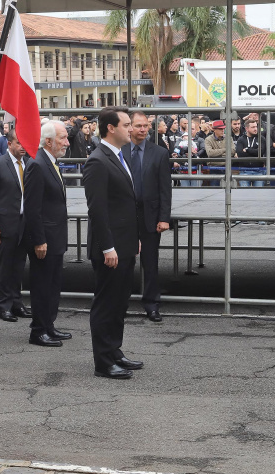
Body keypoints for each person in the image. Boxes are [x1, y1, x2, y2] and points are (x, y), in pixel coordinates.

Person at [83, 107, 142, 379]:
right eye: (127, 124)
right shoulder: (98, 161)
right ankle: (103, 362)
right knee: (106, 304)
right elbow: (98, 209)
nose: (131, 129)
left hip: (124, 244)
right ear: (110, 128)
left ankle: (114, 351)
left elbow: (124, 204)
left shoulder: (119, 155)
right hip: (110, 248)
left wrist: (134, 238)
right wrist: (108, 247)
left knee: (120, 303)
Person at [23, 121, 70, 347]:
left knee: (53, 285)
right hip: (45, 240)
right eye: (63, 138)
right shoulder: (37, 164)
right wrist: (39, 240)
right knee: (42, 286)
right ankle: (38, 331)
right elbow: (32, 208)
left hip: (55, 237)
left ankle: (49, 325)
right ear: (49, 141)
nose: (67, 142)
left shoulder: (50, 162)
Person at [123, 111, 172, 322]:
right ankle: (120, 303)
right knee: (124, 262)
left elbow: (165, 189)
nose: (143, 129)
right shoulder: (119, 151)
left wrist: (164, 218)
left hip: (150, 215)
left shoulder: (159, 153)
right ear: (130, 127)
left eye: (146, 126)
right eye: (139, 126)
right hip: (124, 216)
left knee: (150, 263)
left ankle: (152, 305)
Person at [0, 130, 32, 323]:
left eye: (24, 143)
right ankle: (4, 306)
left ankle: (16, 302)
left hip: (23, 223)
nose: (22, 147)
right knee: (5, 267)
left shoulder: (28, 163)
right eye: (19, 143)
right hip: (4, 224)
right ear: (9, 144)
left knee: (19, 265)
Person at [235, 119, 266, 187]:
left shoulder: (261, 138)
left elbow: (261, 152)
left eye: (256, 126)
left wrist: (247, 150)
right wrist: (255, 151)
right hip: (244, 170)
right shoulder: (241, 139)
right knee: (245, 192)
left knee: (259, 192)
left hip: (259, 170)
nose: (255, 129)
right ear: (247, 129)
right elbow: (240, 154)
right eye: (253, 127)